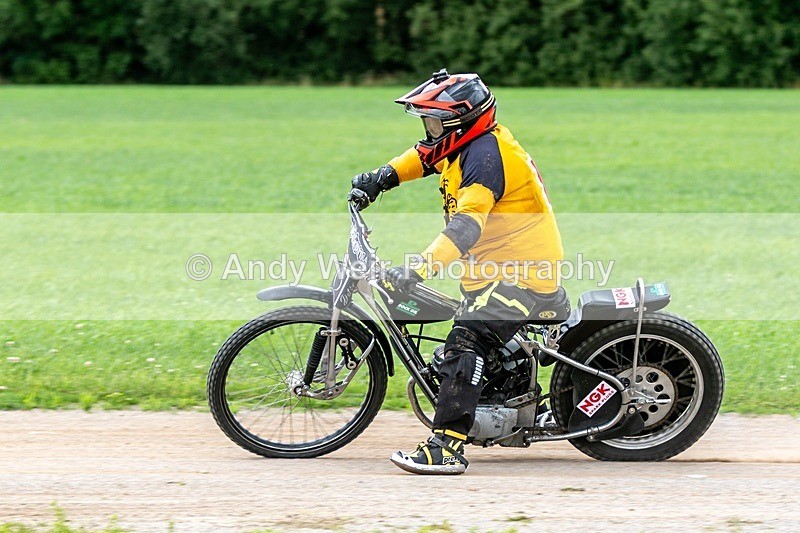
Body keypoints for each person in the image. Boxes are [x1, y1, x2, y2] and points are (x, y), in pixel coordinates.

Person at [352, 69, 566, 475]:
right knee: (467, 334)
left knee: (466, 339)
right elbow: (422, 157)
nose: (428, 131)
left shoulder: (486, 157)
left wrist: (419, 268)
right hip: (495, 270)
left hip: (522, 274)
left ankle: (447, 448)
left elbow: (466, 227)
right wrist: (380, 179)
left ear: (458, 124)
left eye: (433, 122)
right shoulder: (465, 146)